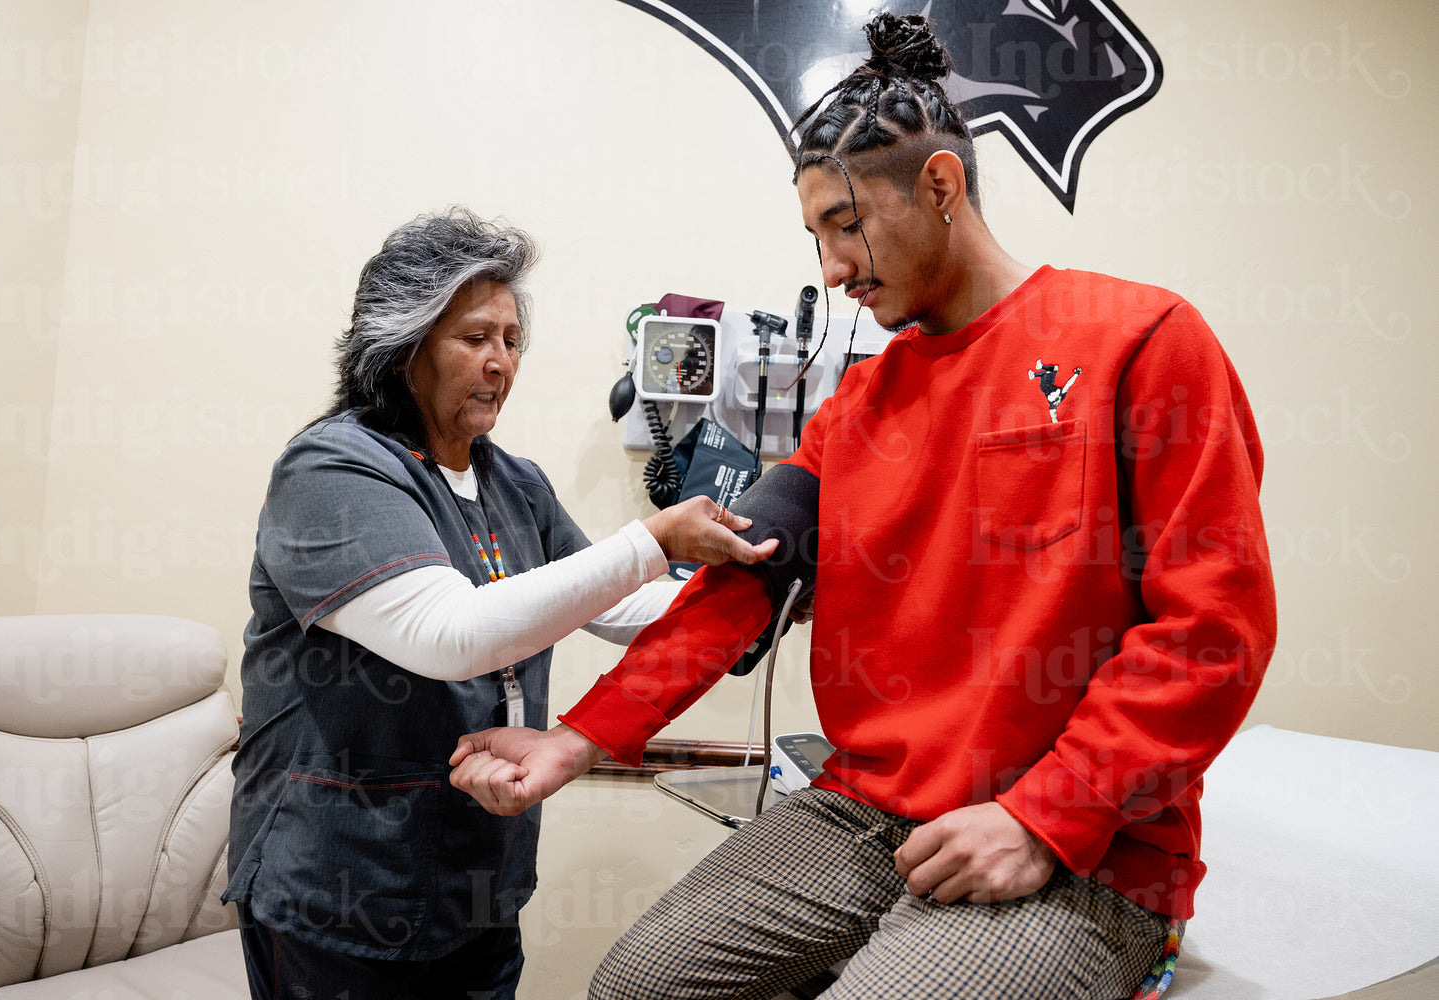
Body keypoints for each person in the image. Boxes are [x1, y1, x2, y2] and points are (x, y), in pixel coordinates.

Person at [449, 13, 1276, 1000]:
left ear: (938, 186)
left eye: (845, 225)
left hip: (1079, 845)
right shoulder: (854, 412)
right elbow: (734, 588)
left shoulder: (1139, 340)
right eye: (815, 237)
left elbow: (1211, 629)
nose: (831, 270)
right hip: (862, 811)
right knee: (632, 985)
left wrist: (1046, 813)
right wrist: (575, 738)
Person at [221, 207, 776, 1000]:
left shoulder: (515, 483)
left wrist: (769, 590)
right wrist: (653, 537)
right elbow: (452, 635)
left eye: (512, 341)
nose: (500, 363)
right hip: (337, 888)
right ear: (404, 347)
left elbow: (619, 604)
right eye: (475, 338)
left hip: (476, 885)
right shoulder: (331, 473)